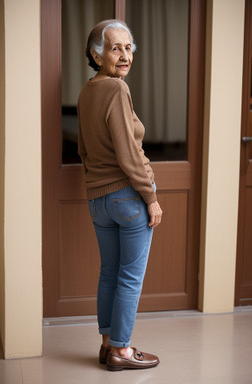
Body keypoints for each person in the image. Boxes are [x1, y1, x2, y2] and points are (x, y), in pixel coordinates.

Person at [77, 19, 163, 371]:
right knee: (129, 276)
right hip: (127, 198)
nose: (125, 55)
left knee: (109, 273)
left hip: (98, 200)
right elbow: (129, 152)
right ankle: (122, 351)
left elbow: (83, 150)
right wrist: (151, 197)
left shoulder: (86, 91)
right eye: (115, 48)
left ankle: (106, 345)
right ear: (97, 56)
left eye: (128, 48)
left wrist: (95, 186)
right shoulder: (116, 89)